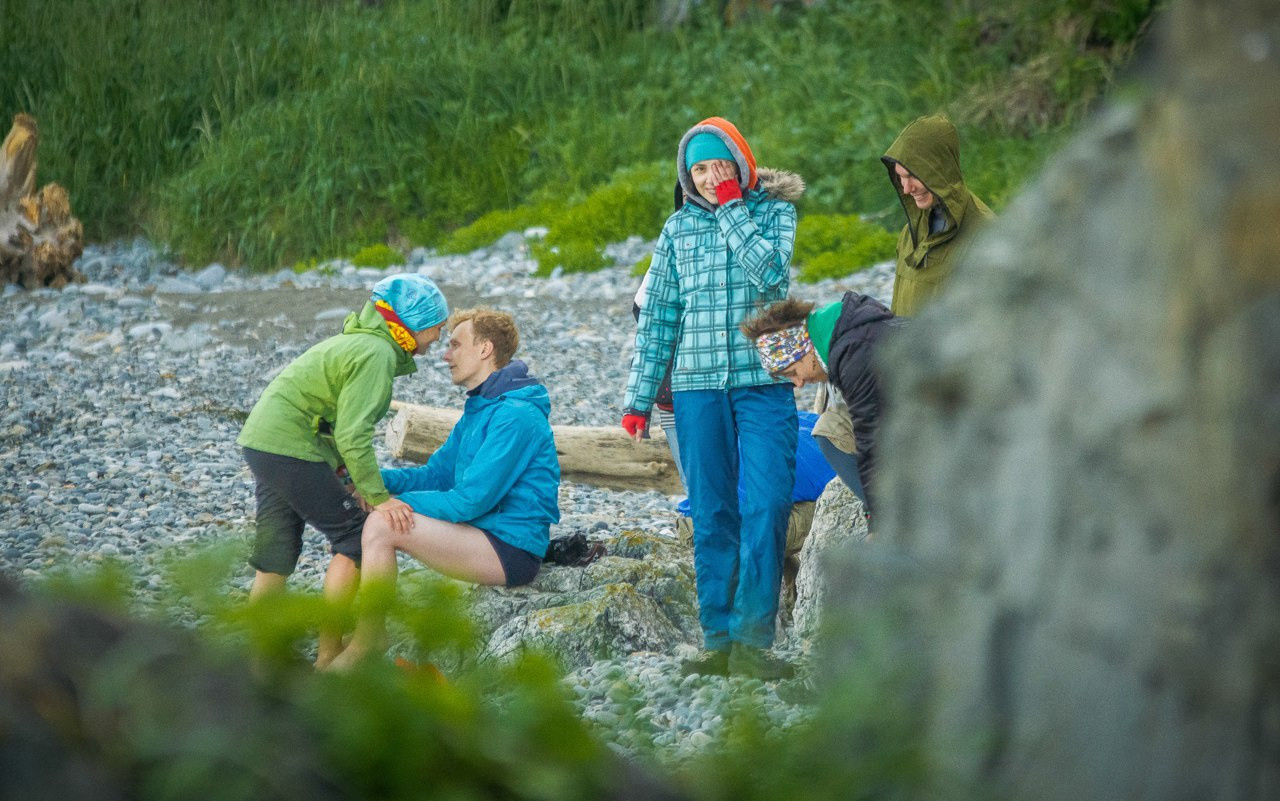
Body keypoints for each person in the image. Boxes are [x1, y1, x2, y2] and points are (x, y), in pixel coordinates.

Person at [623, 116, 804, 680]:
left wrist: (731, 206)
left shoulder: (774, 212)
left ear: (741, 163)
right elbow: (659, 319)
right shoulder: (676, 230)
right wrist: (638, 396)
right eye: (697, 169)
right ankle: (719, 641)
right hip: (697, 389)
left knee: (769, 502)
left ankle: (756, 642)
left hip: (765, 382)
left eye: (717, 165)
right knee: (712, 511)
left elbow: (771, 278)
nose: (707, 177)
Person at [328, 308, 560, 669]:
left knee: (382, 525)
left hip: (511, 549)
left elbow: (468, 501)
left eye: (454, 345)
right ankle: (336, 640)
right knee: (371, 514)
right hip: (482, 534)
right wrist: (371, 484)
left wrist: (390, 504)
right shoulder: (482, 407)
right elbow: (436, 476)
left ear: (484, 349)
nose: (445, 354)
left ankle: (369, 639)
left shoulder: (515, 416)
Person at [237, 273, 448, 667]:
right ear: (411, 324)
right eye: (436, 329)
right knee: (356, 537)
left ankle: (260, 660)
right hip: (293, 447)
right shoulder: (377, 354)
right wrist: (379, 498)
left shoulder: (359, 341)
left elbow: (332, 425)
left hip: (263, 442)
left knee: (276, 552)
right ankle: (330, 654)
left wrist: (349, 482)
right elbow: (352, 435)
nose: (437, 340)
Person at [740, 291, 899, 516]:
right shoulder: (845, 332)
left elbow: (868, 434)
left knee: (830, 430)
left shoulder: (853, 354)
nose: (799, 383)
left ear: (805, 351)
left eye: (793, 372)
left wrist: (876, 517)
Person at [882, 114, 995, 316]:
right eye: (900, 177)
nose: (906, 189)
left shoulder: (985, 235)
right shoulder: (910, 234)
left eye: (912, 176)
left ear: (939, 170)